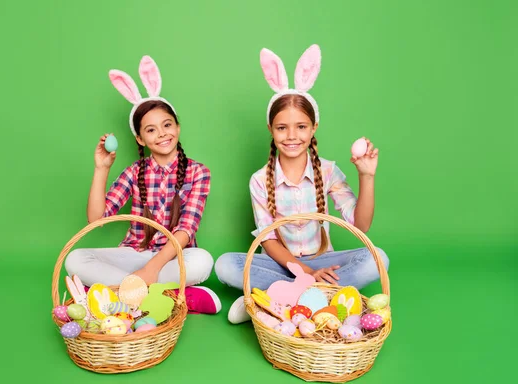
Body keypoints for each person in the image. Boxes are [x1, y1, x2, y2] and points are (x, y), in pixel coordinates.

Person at [215, 44, 389, 324]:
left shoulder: (329, 171)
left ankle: (272, 300)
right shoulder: (260, 180)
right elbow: (268, 241)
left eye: (301, 127)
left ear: (314, 128)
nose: (291, 136)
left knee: (377, 259)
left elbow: (361, 225)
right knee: (225, 265)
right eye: (282, 127)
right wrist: (303, 273)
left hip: (321, 262)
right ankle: (317, 298)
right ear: (270, 129)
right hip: (279, 263)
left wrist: (367, 176)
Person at [65, 55, 221, 315]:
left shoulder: (198, 172)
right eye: (151, 130)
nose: (162, 134)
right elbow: (96, 219)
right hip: (133, 256)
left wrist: (153, 268)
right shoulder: (133, 172)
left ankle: (119, 294)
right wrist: (101, 169)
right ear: (140, 138)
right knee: (75, 259)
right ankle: (167, 295)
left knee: (203, 261)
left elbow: (186, 230)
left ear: (178, 126)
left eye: (167, 124)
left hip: (172, 257)